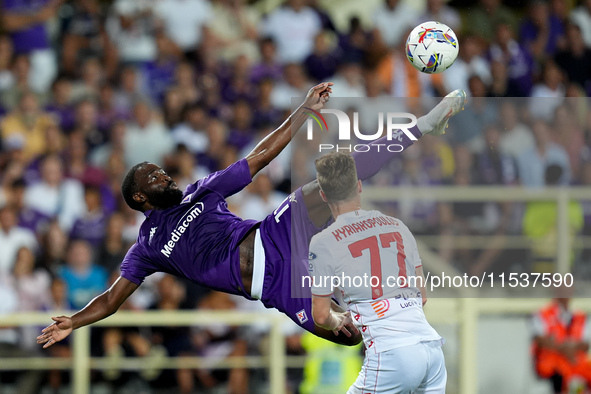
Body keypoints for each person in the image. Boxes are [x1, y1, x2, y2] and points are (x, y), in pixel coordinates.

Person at [37, 83, 466, 349]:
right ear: (138, 197)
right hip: (276, 285)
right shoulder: (146, 248)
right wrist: (74, 321)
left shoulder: (201, 192)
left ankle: (423, 125)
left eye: (161, 170)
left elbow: (259, 158)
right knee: (349, 336)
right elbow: (112, 299)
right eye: (153, 176)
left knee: (337, 174)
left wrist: (303, 111)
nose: (163, 174)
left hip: (276, 234)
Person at [309, 152, 446, 393]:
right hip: (432, 350)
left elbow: (321, 316)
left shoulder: (324, 242)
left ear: (323, 195)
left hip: (391, 354)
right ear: (359, 186)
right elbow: (421, 297)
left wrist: (337, 320)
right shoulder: (398, 226)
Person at [532, 286, 591, 393]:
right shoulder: (542, 314)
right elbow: (540, 340)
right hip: (552, 363)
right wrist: (563, 348)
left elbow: (586, 344)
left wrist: (572, 349)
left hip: (575, 361)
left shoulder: (580, 315)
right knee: (562, 377)